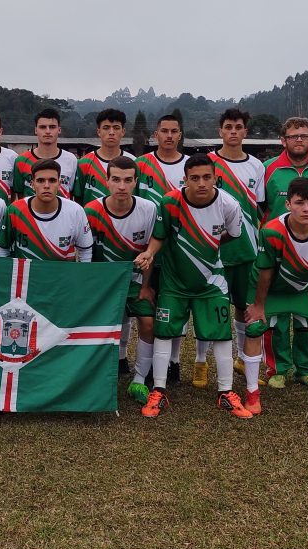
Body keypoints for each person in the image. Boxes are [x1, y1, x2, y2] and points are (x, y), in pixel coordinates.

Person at [139, 153, 252, 419]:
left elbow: (233, 235)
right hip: (173, 283)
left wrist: (205, 247)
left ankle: (225, 392)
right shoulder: (169, 202)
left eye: (206, 177)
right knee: (164, 332)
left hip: (211, 282)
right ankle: (159, 390)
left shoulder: (229, 204)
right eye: (194, 178)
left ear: (216, 178)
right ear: (185, 179)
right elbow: (159, 236)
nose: (201, 183)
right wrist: (150, 253)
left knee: (222, 334)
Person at [242, 178, 308, 422]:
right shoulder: (271, 231)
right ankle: (252, 393)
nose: (306, 209)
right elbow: (265, 273)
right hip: (269, 289)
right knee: (255, 328)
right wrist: (258, 306)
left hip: (301, 288)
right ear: (288, 204)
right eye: (300, 203)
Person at [262, 117, 308, 390]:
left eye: (304, 135)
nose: (299, 140)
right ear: (284, 140)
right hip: (277, 256)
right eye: (293, 136)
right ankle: (277, 368)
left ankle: (305, 368)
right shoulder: (268, 169)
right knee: (276, 316)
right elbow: (261, 209)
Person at [84, 156, 162, 405]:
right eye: (116, 179)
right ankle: (97, 378)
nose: (121, 186)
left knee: (148, 323)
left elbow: (151, 248)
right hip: (103, 284)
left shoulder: (148, 209)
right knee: (98, 328)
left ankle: (139, 379)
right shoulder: (91, 211)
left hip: (137, 280)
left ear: (135, 182)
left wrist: (147, 286)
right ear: (106, 181)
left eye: (128, 180)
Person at [200, 109, 265, 388]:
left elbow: (259, 207)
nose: (234, 131)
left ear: (245, 132)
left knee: (243, 306)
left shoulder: (257, 166)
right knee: (209, 305)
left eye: (239, 127)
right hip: (213, 247)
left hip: (246, 247)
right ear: (220, 131)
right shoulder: (209, 162)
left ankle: (241, 358)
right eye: (228, 127)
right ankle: (201, 362)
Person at [135, 114, 188, 383]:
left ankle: (173, 362)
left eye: (174, 131)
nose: (169, 135)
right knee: (148, 303)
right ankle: (140, 364)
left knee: (174, 305)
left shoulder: (190, 166)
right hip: (148, 245)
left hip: (181, 246)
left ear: (180, 134)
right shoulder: (141, 164)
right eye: (164, 131)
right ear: (155, 134)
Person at [0, 158, 93, 262]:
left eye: (52, 180)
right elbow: (3, 249)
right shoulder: (15, 210)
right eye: (40, 180)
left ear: (59, 184)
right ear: (32, 184)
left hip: (62, 276)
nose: (47, 186)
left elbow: (85, 252)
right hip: (27, 276)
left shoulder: (75, 211)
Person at [12, 108, 78, 200]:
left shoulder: (71, 160)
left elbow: (72, 192)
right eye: (43, 127)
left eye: (52, 127)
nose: (47, 131)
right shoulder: (21, 160)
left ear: (59, 130)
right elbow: (19, 195)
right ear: (36, 130)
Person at [74, 108, 134, 205]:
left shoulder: (134, 162)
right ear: (98, 131)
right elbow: (78, 200)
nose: (111, 132)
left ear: (123, 132)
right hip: (92, 219)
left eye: (116, 128)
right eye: (106, 128)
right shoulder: (83, 163)